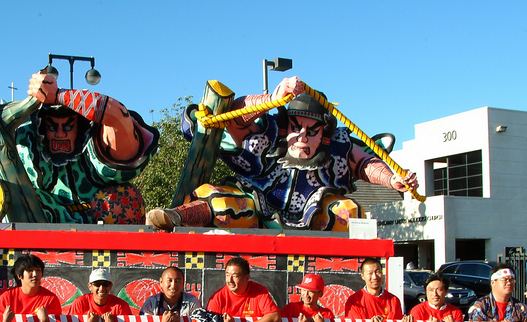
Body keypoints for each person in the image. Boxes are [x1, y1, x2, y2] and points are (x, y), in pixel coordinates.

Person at [146, 77, 418, 232]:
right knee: (225, 202)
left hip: (314, 218)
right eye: (296, 128)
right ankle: (176, 217)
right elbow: (235, 119)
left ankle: (351, 268)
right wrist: (273, 97)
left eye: (311, 131)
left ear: (324, 133)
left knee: (347, 211)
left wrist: (392, 179)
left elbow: (365, 162)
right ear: (287, 126)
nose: (301, 137)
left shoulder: (337, 145)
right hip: (259, 206)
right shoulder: (269, 136)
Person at [0, 70, 158, 224]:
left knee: (123, 197)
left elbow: (119, 117)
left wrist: (59, 95)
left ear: (80, 128)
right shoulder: (28, 144)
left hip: (99, 230)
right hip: (42, 228)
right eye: (52, 127)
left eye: (68, 126)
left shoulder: (94, 147)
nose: (60, 134)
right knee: (19, 195)